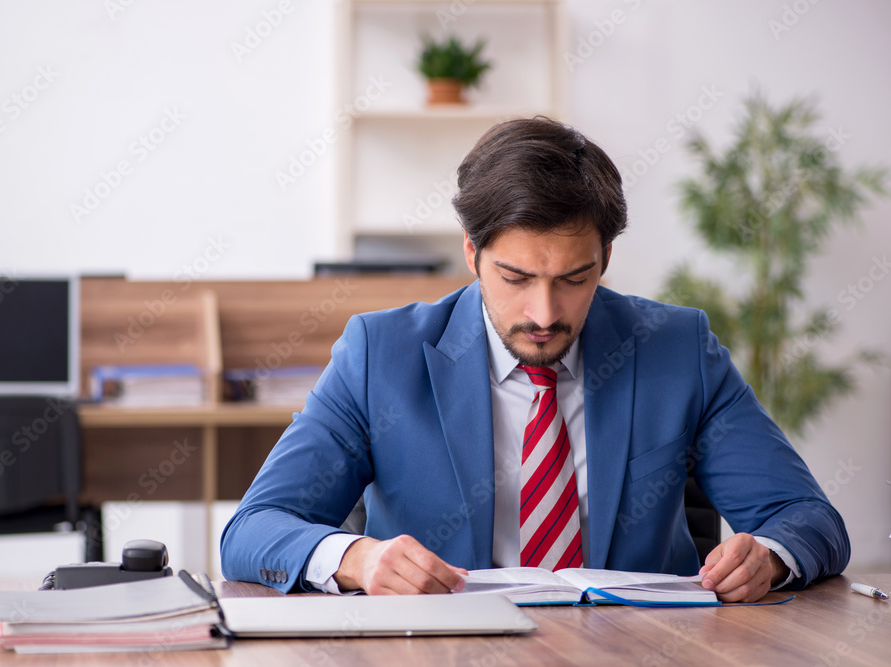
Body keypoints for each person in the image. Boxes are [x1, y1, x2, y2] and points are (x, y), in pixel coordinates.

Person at [220, 117, 850, 603]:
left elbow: (808, 518)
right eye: (516, 277)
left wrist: (767, 556)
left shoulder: (676, 349)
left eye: (574, 278)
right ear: (472, 255)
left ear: (604, 258)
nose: (545, 313)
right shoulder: (378, 355)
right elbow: (253, 530)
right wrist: (358, 559)